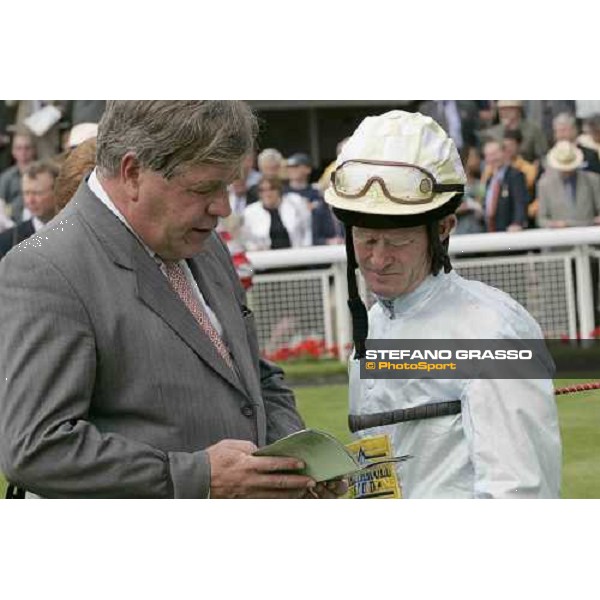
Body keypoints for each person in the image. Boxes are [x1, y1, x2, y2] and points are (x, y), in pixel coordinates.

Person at [0, 100, 345, 499]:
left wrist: (291, 465)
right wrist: (196, 476)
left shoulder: (203, 242)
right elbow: (36, 447)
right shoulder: (43, 267)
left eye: (228, 186)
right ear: (132, 173)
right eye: (203, 188)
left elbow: (254, 376)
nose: (222, 208)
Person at [324, 109, 561, 498]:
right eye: (365, 238)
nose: (378, 259)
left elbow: (518, 492)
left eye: (398, 241)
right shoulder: (375, 321)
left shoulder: (494, 333)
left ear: (445, 228)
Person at [0, 160, 59, 259]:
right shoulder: (8, 242)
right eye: (26, 193)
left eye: (37, 193)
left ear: (57, 190)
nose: (30, 200)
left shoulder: (79, 231)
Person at [537, 141, 600, 228]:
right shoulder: (544, 185)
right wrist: (554, 224)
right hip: (561, 237)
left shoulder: (592, 180)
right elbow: (541, 219)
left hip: (589, 233)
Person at [241, 176, 312, 250]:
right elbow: (247, 240)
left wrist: (305, 251)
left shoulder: (295, 203)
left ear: (279, 191)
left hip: (298, 254)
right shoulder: (250, 212)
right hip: (265, 257)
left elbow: (307, 229)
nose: (267, 194)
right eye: (262, 190)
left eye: (271, 189)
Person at [482, 139, 529, 232]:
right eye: (489, 155)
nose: (492, 158)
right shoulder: (489, 180)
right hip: (491, 232)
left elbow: (520, 202)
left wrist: (517, 223)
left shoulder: (515, 175)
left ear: (504, 153)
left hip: (509, 232)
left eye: (495, 153)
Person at [484, 100, 548, 164]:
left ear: (518, 110)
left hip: (527, 168)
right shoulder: (493, 132)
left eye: (510, 109)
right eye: (502, 109)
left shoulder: (533, 129)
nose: (505, 112)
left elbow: (542, 154)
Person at [0, 133, 36, 223]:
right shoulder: (6, 177)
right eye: (19, 148)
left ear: (33, 150)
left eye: (27, 148)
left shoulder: (42, 174)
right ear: (13, 152)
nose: (23, 152)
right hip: (12, 225)